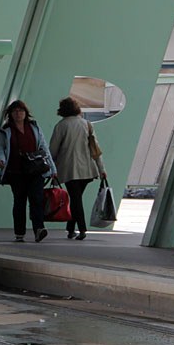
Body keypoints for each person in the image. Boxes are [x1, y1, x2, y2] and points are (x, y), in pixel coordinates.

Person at [0, 100, 56, 242]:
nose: (18, 114)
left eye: (21, 111)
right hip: (16, 172)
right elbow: (0, 149)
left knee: (36, 199)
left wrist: (52, 168)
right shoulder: (6, 130)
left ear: (26, 113)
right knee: (19, 202)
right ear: (10, 114)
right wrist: (0, 160)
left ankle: (39, 228)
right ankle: (19, 232)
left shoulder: (34, 127)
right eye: (15, 111)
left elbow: (44, 148)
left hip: (35, 170)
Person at [48, 96, 107, 240]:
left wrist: (51, 169)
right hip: (87, 169)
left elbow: (53, 150)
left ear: (62, 111)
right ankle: (70, 229)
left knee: (75, 199)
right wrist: (101, 169)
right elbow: (95, 149)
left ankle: (81, 229)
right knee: (76, 198)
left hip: (69, 169)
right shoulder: (87, 124)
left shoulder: (61, 126)